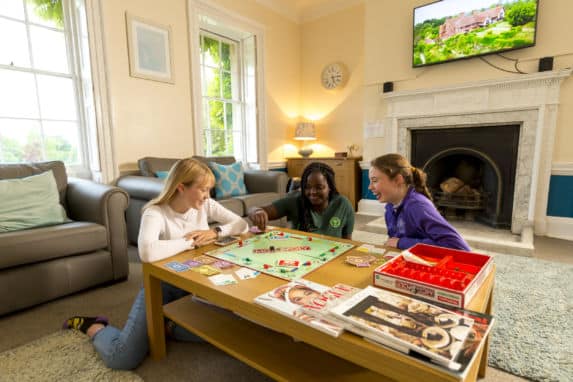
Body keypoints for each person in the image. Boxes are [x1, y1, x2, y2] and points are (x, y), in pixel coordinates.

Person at [62, 158, 248, 370]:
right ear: (181, 187)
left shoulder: (205, 205)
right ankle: (95, 326)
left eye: (209, 190)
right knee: (121, 358)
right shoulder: (155, 212)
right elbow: (147, 252)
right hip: (162, 287)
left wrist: (215, 231)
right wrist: (189, 241)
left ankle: (165, 325)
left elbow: (241, 224)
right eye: (203, 189)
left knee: (226, 331)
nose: (208, 195)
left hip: (195, 285)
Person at [368, 153, 470, 251]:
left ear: (398, 180)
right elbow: (394, 240)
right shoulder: (390, 206)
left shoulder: (417, 206)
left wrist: (401, 243)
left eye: (375, 180)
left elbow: (458, 247)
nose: (370, 187)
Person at [248, 162, 354, 239]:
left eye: (319, 187)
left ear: (330, 187)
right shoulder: (295, 200)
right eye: (307, 187)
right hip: (299, 259)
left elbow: (348, 242)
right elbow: (254, 209)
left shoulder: (343, 204)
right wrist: (257, 212)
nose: (312, 192)